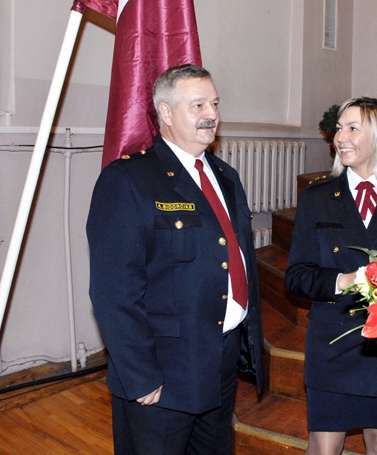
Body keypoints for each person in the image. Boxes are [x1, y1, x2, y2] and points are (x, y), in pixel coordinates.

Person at [86, 64, 264, 455]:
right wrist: (140, 375)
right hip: (163, 374)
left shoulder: (225, 176)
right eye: (198, 105)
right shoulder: (129, 181)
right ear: (165, 113)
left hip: (220, 360)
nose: (211, 114)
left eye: (214, 103)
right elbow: (113, 292)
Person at [285, 97, 377, 455]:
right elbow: (297, 276)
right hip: (332, 344)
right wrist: (345, 280)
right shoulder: (317, 197)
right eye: (339, 128)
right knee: (324, 448)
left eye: (353, 128)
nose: (340, 137)